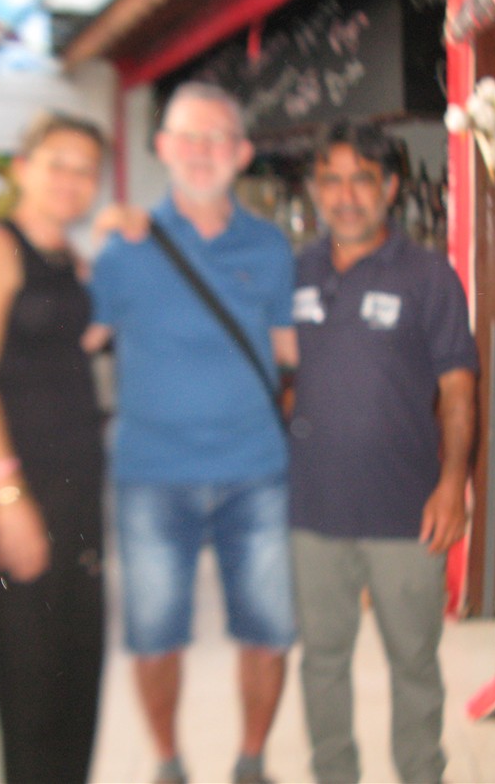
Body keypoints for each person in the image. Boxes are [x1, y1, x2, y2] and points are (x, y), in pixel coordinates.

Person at [87, 81, 297, 784]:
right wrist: (86, 246)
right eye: (187, 137)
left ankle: (251, 762)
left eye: (217, 138)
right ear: (162, 148)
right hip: (151, 474)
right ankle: (168, 763)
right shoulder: (123, 247)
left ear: (242, 153)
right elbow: (81, 333)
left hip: (256, 470)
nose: (201, 151)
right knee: (154, 638)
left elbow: (291, 351)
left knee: (268, 632)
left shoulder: (270, 247)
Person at [289, 121, 478, 784]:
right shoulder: (297, 271)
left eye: (361, 180)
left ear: (390, 187)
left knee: (414, 665)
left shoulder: (428, 276)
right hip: (312, 510)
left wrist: (452, 484)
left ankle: (421, 774)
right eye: (331, 180)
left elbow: (459, 389)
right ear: (316, 189)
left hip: (407, 508)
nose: (345, 196)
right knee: (321, 661)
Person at [0, 110, 108, 784]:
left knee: (77, 677)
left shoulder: (72, 261)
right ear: (22, 170)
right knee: (31, 691)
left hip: (78, 496)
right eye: (57, 164)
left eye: (86, 169)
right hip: (18, 493)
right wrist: (7, 497)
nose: (71, 180)